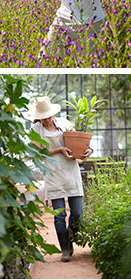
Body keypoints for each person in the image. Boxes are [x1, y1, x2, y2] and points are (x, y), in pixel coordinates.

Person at [29, 96, 93, 262]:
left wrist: (88, 150)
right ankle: (65, 249)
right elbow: (38, 153)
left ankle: (71, 236)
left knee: (77, 213)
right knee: (59, 215)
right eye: (43, 117)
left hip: (71, 172)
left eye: (49, 115)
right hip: (53, 173)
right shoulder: (35, 129)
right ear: (39, 117)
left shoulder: (64, 123)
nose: (47, 119)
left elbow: (78, 142)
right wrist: (59, 150)